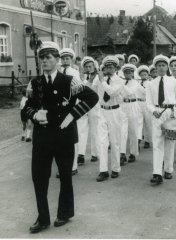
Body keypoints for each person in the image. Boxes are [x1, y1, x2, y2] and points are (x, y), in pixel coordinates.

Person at [23, 41, 98, 233]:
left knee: (65, 176)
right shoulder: (35, 83)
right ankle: (43, 218)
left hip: (64, 137)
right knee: (39, 178)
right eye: (42, 58)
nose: (45, 61)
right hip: (42, 138)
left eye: (48, 58)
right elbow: (25, 108)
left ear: (57, 60)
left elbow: (92, 97)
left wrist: (72, 115)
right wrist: (34, 114)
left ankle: (64, 213)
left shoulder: (69, 81)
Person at [146, 55, 176, 185]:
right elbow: (148, 103)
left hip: (171, 113)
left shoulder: (174, 82)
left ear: (167, 67)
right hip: (157, 113)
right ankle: (157, 173)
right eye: (159, 66)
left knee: (170, 143)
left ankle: (168, 169)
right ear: (155, 68)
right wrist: (153, 111)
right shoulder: (150, 84)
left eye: (163, 65)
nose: (161, 68)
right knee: (157, 143)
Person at [95, 55, 125, 182]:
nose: (109, 69)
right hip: (102, 111)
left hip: (114, 111)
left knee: (115, 141)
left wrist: (102, 81)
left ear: (116, 68)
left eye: (111, 66)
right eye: (106, 66)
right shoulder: (99, 79)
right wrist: (96, 78)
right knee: (102, 142)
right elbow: (92, 90)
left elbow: (112, 92)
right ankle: (103, 170)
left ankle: (116, 168)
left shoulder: (120, 80)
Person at [58, 48, 82, 177]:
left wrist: (74, 107)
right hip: (59, 108)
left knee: (71, 137)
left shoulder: (74, 72)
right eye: (63, 58)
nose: (65, 61)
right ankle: (62, 167)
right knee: (60, 138)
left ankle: (73, 166)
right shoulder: (57, 71)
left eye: (67, 58)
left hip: (71, 106)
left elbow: (77, 89)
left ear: (71, 59)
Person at [81, 56, 104, 163]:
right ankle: (80, 154)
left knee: (95, 131)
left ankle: (95, 153)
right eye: (86, 66)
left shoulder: (98, 77)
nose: (88, 68)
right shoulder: (83, 78)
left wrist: (90, 80)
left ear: (95, 67)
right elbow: (81, 90)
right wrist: (87, 81)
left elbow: (94, 90)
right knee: (82, 130)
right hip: (84, 106)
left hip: (95, 106)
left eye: (90, 66)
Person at [120, 63, 140, 165]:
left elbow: (130, 92)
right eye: (126, 72)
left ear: (133, 73)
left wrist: (121, 84)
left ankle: (133, 153)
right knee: (122, 131)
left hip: (132, 105)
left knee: (133, 130)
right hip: (123, 105)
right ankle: (122, 154)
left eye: (130, 72)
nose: (128, 74)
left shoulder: (135, 82)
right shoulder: (121, 82)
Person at [136, 65, 152, 149]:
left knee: (148, 123)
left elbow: (145, 92)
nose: (143, 76)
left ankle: (147, 140)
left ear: (148, 75)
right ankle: (138, 140)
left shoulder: (150, 83)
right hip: (138, 103)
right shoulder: (137, 83)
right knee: (139, 123)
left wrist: (139, 86)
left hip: (146, 103)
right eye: (142, 75)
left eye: (145, 74)